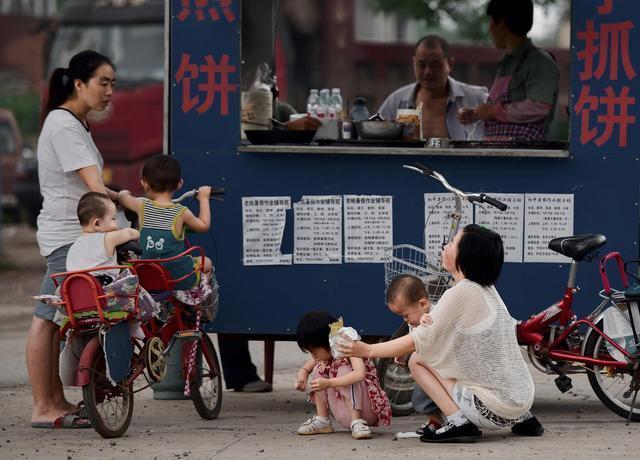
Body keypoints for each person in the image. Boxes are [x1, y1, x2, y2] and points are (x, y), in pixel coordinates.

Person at [338, 225, 544, 443]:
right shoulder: (488, 290)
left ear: (464, 258)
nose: (445, 245)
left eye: (453, 242)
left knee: (417, 359)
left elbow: (417, 340)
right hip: (521, 400)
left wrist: (367, 349)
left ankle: (459, 422)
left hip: (491, 410)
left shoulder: (461, 292)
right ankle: (522, 418)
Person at [27, 50, 117, 429]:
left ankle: (55, 401)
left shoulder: (74, 122)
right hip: (69, 237)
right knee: (47, 319)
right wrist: (126, 203)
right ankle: (42, 406)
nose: (110, 91)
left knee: (58, 321)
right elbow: (95, 186)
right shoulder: (64, 125)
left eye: (113, 83)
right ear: (78, 84)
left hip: (76, 233)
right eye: (103, 82)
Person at [458, 0, 560, 141]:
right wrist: (476, 115)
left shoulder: (540, 61)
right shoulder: (505, 64)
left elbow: (540, 106)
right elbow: (498, 114)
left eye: (492, 22)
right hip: (498, 153)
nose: (490, 29)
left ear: (502, 23)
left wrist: (493, 111)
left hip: (526, 157)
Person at [118, 154, 212, 290]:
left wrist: (124, 193)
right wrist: (204, 198)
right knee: (207, 263)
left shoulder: (141, 206)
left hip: (149, 278)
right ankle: (197, 295)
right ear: (180, 183)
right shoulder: (182, 212)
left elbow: (122, 197)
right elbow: (204, 225)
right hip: (179, 279)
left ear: (144, 183)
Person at [294, 311, 391, 439]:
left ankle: (357, 422)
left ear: (327, 342)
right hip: (342, 412)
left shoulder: (347, 345)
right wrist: (302, 375)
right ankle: (322, 420)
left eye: (314, 352)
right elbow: (307, 368)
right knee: (318, 369)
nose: (313, 356)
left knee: (345, 370)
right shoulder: (324, 354)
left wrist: (328, 383)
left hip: (366, 410)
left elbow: (359, 374)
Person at [378, 34, 488, 140]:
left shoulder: (477, 98)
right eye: (421, 65)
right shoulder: (397, 101)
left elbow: (503, 121)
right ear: (414, 63)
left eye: (435, 65)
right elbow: (374, 136)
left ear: (450, 64)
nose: (428, 72)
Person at [384, 274, 443, 435]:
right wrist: (405, 352)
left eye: (405, 315)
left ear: (423, 304)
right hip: (429, 367)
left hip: (445, 367)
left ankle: (456, 419)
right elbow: (414, 341)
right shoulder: (415, 321)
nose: (405, 320)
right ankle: (435, 420)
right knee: (421, 397)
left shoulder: (437, 315)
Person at [66, 192, 139, 285]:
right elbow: (132, 233)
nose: (116, 223)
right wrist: (125, 230)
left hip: (77, 291)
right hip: (104, 292)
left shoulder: (73, 246)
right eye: (113, 218)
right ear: (97, 224)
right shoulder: (108, 238)